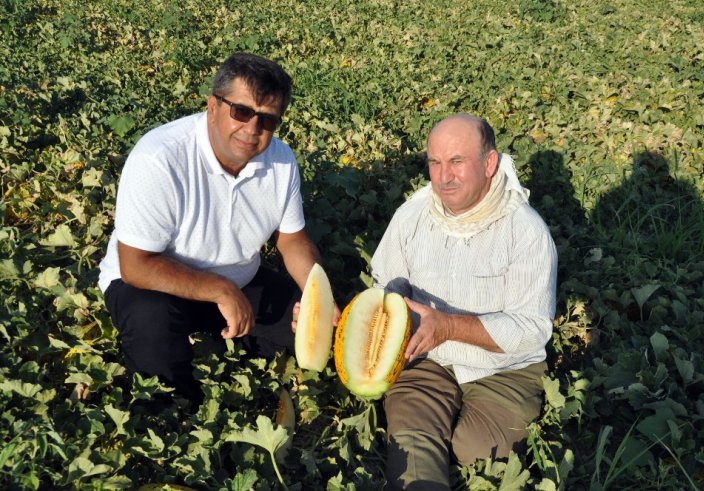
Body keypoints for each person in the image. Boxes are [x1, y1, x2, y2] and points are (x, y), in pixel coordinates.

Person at [98, 53, 336, 406]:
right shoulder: (160, 158)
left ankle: (231, 336)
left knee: (310, 332)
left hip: (238, 282)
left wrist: (319, 296)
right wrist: (220, 290)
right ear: (212, 106)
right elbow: (136, 265)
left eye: (268, 120)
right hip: (152, 285)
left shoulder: (282, 161)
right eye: (241, 112)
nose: (253, 129)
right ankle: (178, 418)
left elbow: (292, 239)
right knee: (153, 330)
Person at [371, 114, 558, 489]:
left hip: (504, 370)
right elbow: (385, 286)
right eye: (435, 163)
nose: (443, 177)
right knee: (412, 442)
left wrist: (449, 326)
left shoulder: (526, 231)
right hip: (427, 360)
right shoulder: (411, 216)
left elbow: (532, 330)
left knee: (476, 451)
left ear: (490, 163)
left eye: (457, 162)